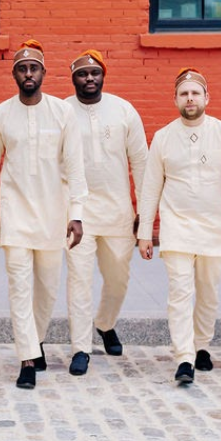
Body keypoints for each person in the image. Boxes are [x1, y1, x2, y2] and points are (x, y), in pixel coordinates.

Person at [0, 40, 86, 387]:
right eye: (22, 69)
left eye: (33, 68)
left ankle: (34, 340)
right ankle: (26, 358)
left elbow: (75, 165)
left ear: (43, 73)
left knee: (47, 289)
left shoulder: (62, 112)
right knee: (19, 288)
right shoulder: (0, 114)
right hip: (15, 215)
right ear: (14, 74)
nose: (28, 74)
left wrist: (77, 213)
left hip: (54, 213)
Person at [137, 68, 221, 385]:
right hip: (177, 227)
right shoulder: (163, 137)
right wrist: (145, 232)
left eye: (195, 93)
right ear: (176, 99)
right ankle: (184, 357)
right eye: (184, 94)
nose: (190, 99)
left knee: (208, 292)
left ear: (206, 98)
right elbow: (150, 188)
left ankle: (201, 344)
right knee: (179, 293)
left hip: (215, 227)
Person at [64, 49, 147, 371]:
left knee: (118, 279)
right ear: (73, 78)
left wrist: (146, 208)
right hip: (77, 212)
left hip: (118, 211)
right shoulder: (62, 111)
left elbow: (141, 161)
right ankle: (80, 348)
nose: (89, 79)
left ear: (103, 76)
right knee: (79, 280)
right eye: (82, 74)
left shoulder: (123, 110)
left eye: (94, 73)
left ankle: (105, 322)